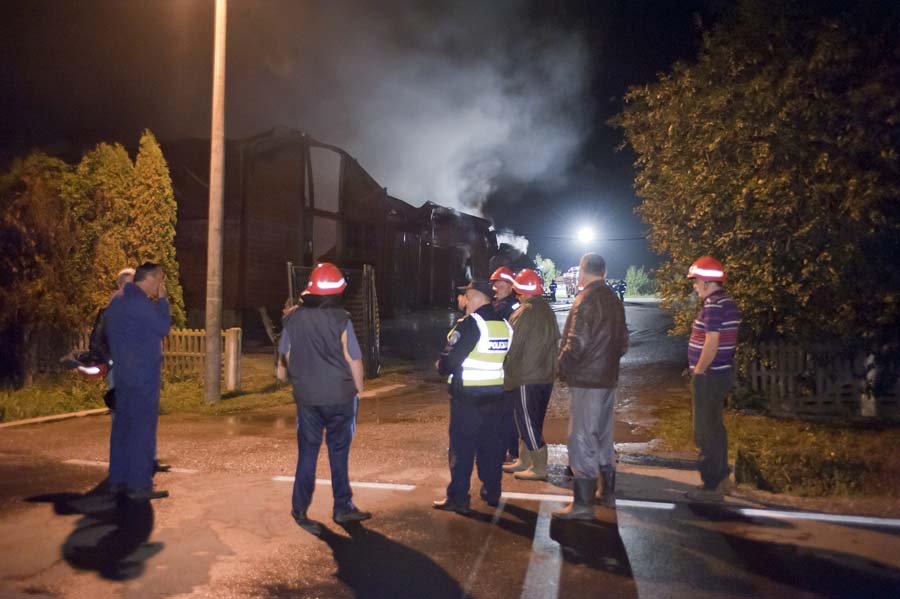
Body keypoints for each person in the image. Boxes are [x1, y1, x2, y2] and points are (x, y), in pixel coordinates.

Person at [279, 262, 371, 534]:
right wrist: (359, 389)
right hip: (340, 397)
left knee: (307, 453)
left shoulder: (292, 318)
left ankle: (299, 508)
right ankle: (342, 507)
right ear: (336, 292)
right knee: (338, 452)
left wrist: (297, 378)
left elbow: (286, 355)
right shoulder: (341, 319)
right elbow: (353, 358)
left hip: (307, 397)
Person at [553, 253, 628, 520]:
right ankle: (607, 492)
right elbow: (624, 343)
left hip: (587, 380)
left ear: (582, 272)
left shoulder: (586, 299)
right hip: (608, 379)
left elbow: (576, 342)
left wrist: (561, 368)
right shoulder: (614, 300)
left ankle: (583, 504)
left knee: (582, 438)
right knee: (603, 436)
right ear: (604, 272)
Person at [433, 280, 512, 514]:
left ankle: (458, 498)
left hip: (467, 397)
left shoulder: (471, 324)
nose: (462, 301)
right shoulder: (504, 325)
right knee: (490, 446)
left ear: (476, 297)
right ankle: (492, 491)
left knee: (462, 448)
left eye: (465, 296)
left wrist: (441, 366)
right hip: (494, 396)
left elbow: (451, 360)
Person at [104, 261, 171, 501]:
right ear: (150, 278)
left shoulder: (117, 300)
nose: (160, 285)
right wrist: (163, 300)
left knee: (122, 428)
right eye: (160, 280)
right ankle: (139, 485)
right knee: (142, 430)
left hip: (123, 374)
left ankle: (118, 480)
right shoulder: (140, 302)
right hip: (143, 376)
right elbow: (164, 327)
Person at [684, 256, 741, 502]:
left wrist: (698, 371)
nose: (695, 286)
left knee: (705, 431)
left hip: (709, 376)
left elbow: (712, 341)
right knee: (716, 428)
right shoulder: (727, 302)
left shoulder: (713, 305)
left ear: (707, 283)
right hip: (720, 374)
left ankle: (710, 487)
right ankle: (722, 479)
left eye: (696, 281)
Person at [501, 269, 560, 481]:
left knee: (526, 421)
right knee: (532, 421)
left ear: (523, 291)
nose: (517, 296)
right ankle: (525, 460)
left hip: (526, 376)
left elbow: (513, 347)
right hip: (545, 376)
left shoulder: (525, 312)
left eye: (518, 292)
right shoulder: (547, 310)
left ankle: (539, 466)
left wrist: (506, 370)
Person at [489, 266, 520, 464]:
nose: (495, 288)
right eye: (495, 285)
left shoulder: (506, 307)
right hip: (502, 365)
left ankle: (509, 451)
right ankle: (509, 450)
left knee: (506, 412)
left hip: (506, 366)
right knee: (505, 411)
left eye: (500, 285)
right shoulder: (504, 305)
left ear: (510, 286)